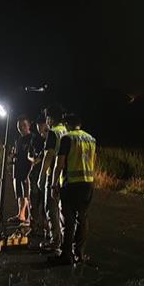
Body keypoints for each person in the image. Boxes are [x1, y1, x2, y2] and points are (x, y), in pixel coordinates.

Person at [49, 112, 96, 265]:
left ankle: (66, 254)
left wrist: (54, 183)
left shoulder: (67, 138)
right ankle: (80, 254)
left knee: (68, 220)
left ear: (68, 125)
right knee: (82, 219)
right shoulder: (91, 139)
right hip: (88, 183)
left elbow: (60, 163)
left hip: (70, 184)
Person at [36, 105, 68, 252]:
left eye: (47, 118)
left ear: (51, 118)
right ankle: (61, 239)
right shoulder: (66, 131)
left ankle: (54, 241)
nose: (46, 121)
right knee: (60, 209)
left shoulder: (53, 132)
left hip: (53, 174)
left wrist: (41, 176)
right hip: (63, 175)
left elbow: (48, 156)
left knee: (50, 207)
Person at [8, 115, 34, 225]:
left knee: (27, 194)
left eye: (23, 125)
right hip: (17, 170)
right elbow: (18, 153)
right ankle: (21, 215)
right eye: (19, 126)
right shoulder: (18, 139)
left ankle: (30, 218)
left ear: (28, 126)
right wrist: (13, 155)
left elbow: (33, 156)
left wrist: (30, 172)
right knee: (19, 194)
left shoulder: (32, 138)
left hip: (27, 170)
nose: (21, 128)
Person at [28, 119, 49, 241]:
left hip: (45, 174)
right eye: (38, 126)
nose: (39, 128)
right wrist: (33, 159)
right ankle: (35, 227)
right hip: (35, 174)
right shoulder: (35, 138)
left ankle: (46, 229)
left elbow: (47, 155)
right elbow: (30, 154)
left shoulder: (51, 137)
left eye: (41, 126)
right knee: (34, 202)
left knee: (46, 204)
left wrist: (40, 159)